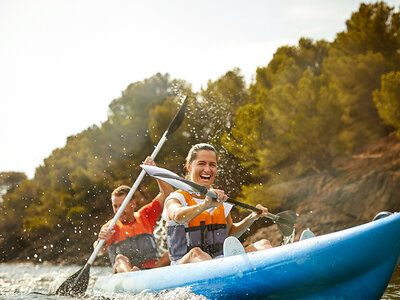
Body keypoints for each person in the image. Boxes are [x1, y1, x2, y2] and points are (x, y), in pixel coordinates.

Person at [163, 143, 272, 265]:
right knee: (196, 253)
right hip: (186, 265)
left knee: (264, 244)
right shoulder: (176, 198)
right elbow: (177, 216)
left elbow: (230, 233)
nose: (207, 169)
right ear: (189, 167)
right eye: (201, 163)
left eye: (212, 165)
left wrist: (251, 217)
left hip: (219, 261)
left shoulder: (220, 200)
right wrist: (205, 205)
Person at [94, 156, 173, 273]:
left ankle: (146, 275)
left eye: (122, 205)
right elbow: (99, 251)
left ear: (133, 204)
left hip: (151, 271)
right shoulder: (111, 227)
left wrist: (155, 171)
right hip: (124, 273)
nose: (118, 210)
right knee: (120, 259)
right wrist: (101, 241)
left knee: (170, 253)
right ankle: (132, 274)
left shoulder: (145, 215)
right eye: (115, 206)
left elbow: (168, 194)